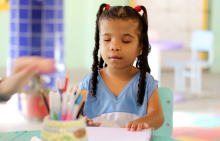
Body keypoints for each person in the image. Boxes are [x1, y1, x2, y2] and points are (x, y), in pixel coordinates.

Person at [80, 4, 164, 132]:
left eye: (125, 41)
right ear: (99, 43)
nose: (114, 46)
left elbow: (158, 117)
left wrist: (141, 122)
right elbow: (71, 114)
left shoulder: (146, 82)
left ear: (140, 47)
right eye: (107, 39)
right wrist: (81, 121)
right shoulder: (90, 81)